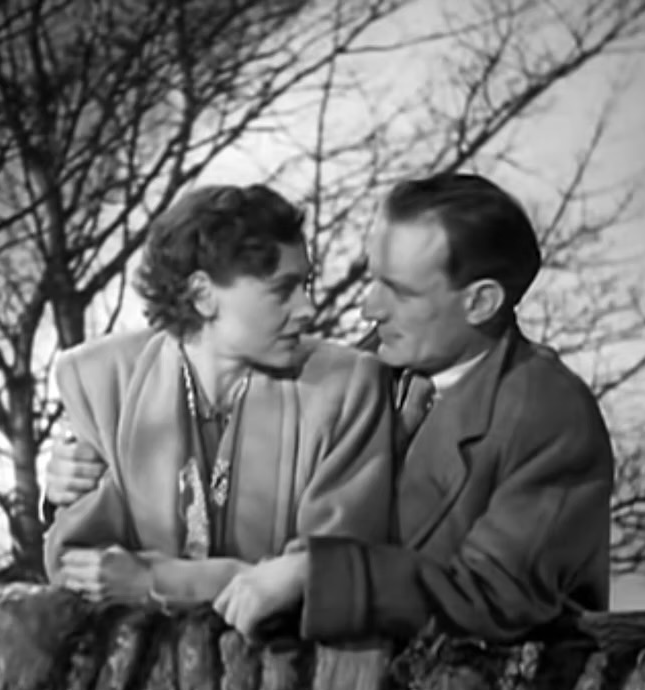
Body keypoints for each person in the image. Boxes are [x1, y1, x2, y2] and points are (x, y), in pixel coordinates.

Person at [211, 172, 614, 642]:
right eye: (372, 279)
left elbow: (495, 596)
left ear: (481, 302)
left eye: (400, 292)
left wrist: (315, 574)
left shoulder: (551, 416)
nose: (369, 308)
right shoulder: (342, 376)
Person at [42, 183, 394, 610]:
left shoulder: (346, 387)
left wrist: (160, 580)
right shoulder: (103, 381)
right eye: (283, 290)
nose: (307, 309)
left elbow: (329, 573)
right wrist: (253, 578)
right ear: (203, 295)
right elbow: (78, 563)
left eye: (306, 284)